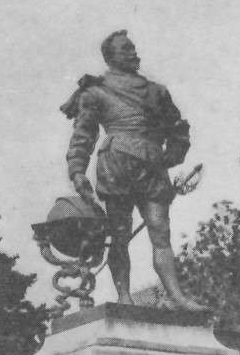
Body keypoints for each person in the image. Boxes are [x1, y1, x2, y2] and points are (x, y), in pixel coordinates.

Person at [62, 30, 206, 311]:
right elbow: (84, 133)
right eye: (125, 49)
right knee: (119, 234)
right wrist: (77, 170)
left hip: (153, 165)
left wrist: (173, 154)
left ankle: (177, 296)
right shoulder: (95, 91)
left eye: (133, 48)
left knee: (160, 231)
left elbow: (178, 129)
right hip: (116, 165)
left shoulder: (156, 92)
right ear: (110, 57)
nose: (132, 53)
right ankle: (124, 296)